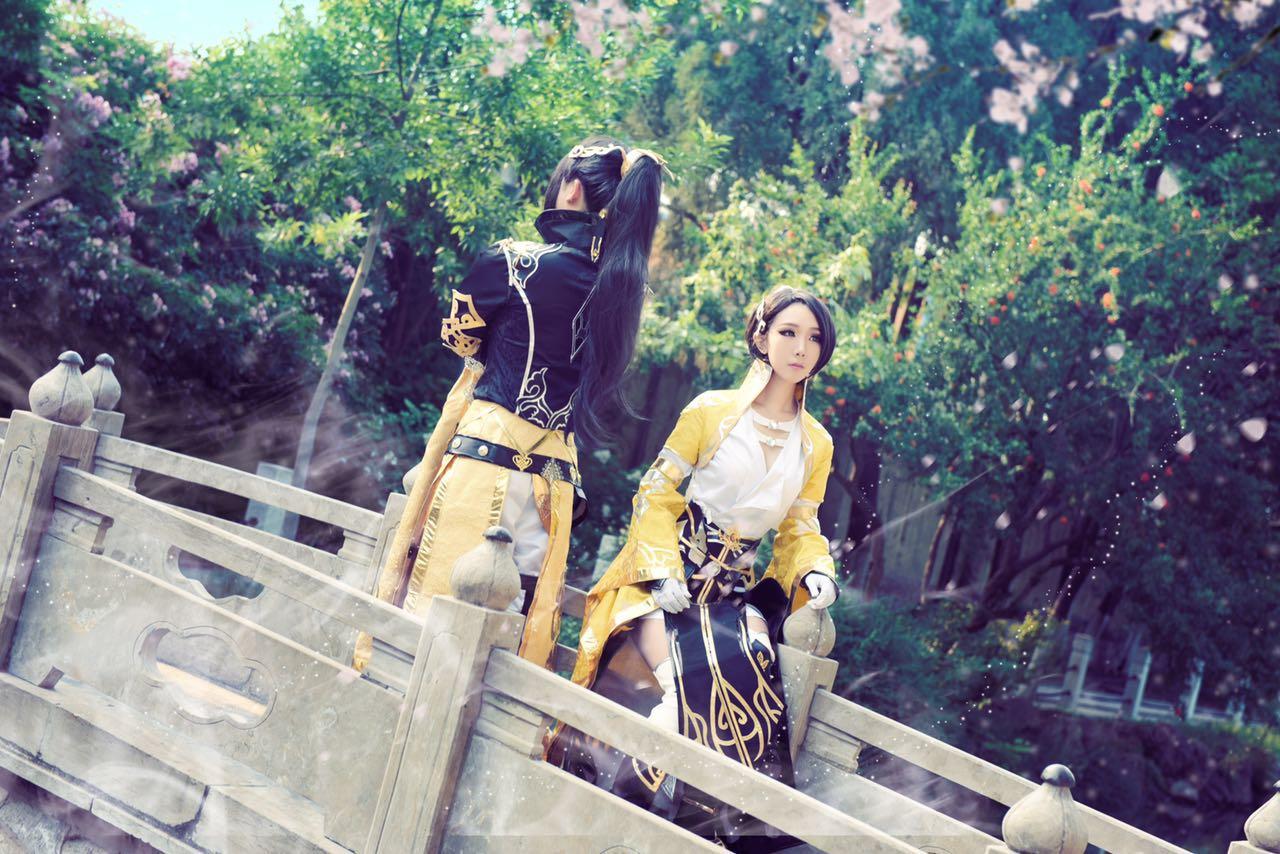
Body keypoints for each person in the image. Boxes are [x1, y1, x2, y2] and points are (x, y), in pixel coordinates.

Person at [354, 137, 668, 672]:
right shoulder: (623, 291)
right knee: (512, 637)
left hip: (485, 459)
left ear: (571, 189)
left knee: (435, 616)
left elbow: (459, 338)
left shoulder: (513, 261)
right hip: (554, 484)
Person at [557, 285, 841, 850]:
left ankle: (708, 826)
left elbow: (801, 527)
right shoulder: (710, 411)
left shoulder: (817, 443)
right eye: (788, 332)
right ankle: (621, 823)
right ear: (761, 336)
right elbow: (655, 491)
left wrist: (816, 570)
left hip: (730, 597)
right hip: (664, 586)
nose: (800, 348)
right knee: (684, 691)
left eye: (813, 338)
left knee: (756, 682)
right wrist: (662, 570)